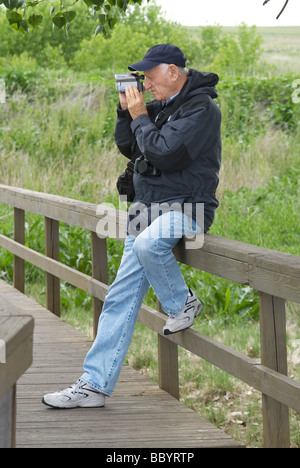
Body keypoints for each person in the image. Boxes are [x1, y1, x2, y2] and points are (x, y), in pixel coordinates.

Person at [42, 44, 222, 409]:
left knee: (147, 245)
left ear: (173, 71)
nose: (147, 84)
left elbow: (165, 154)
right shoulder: (162, 107)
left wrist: (141, 114)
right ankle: (93, 385)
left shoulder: (202, 109)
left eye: (151, 76)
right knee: (119, 300)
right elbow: (131, 147)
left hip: (185, 207)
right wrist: (127, 114)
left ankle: (182, 302)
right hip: (145, 208)